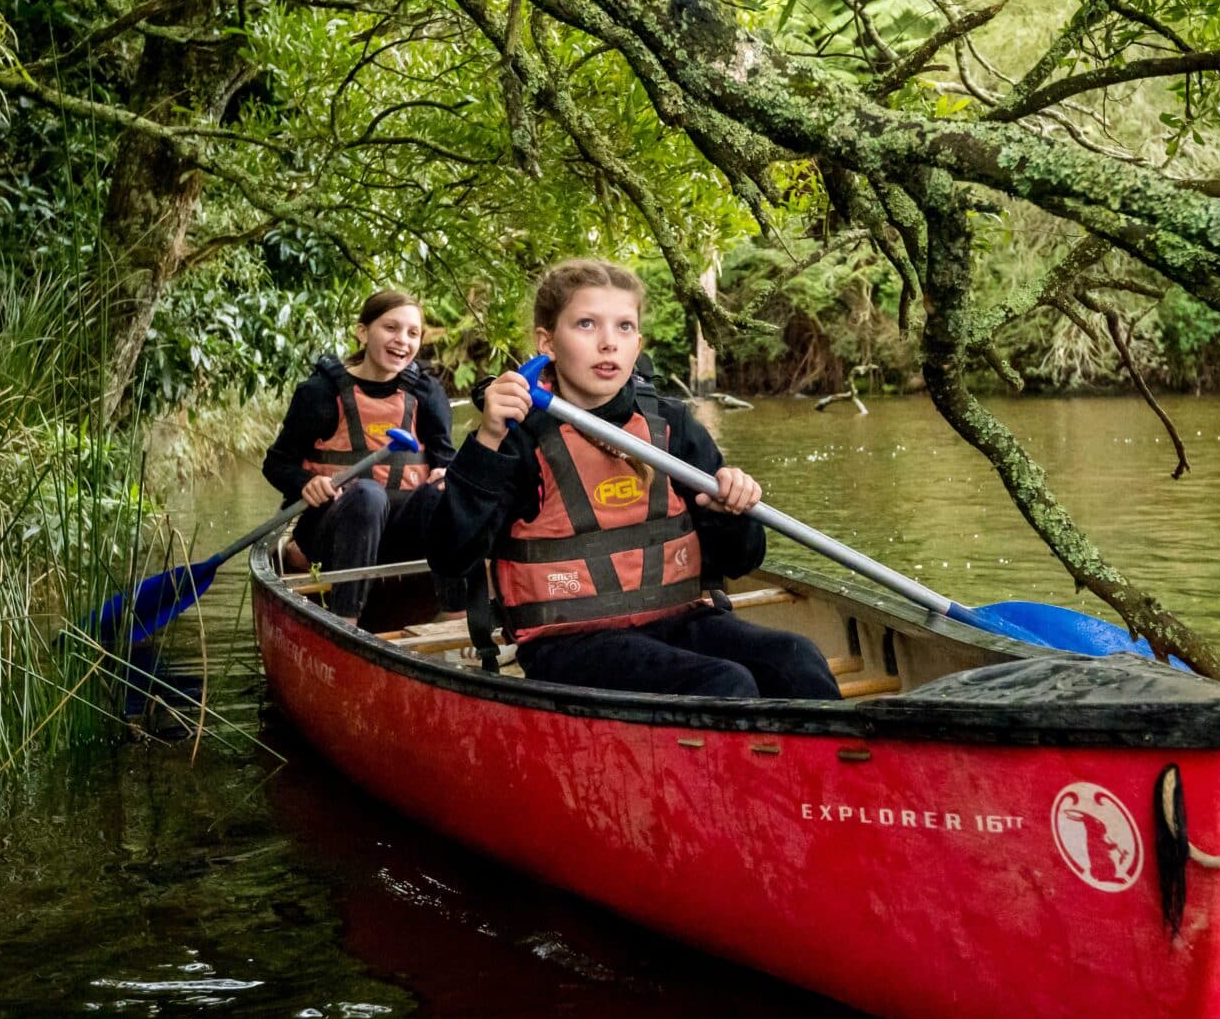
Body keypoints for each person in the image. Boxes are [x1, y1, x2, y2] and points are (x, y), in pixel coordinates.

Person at [429, 258, 841, 700]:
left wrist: (732, 513)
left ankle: (839, 768)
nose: (609, 343)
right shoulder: (516, 436)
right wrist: (488, 439)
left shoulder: (670, 424)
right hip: (570, 643)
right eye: (586, 324)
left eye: (624, 327)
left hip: (679, 620)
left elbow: (741, 561)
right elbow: (450, 558)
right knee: (724, 682)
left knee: (796, 657)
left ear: (638, 341)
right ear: (546, 342)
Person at [262, 289, 455, 622]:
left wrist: (446, 475)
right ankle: (346, 622)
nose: (402, 341)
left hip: (399, 544)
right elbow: (277, 464)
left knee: (447, 494)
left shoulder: (428, 393)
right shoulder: (319, 394)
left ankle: (458, 620)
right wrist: (308, 482)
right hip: (333, 536)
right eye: (391, 328)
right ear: (363, 332)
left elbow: (445, 460)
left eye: (413, 333)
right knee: (368, 494)